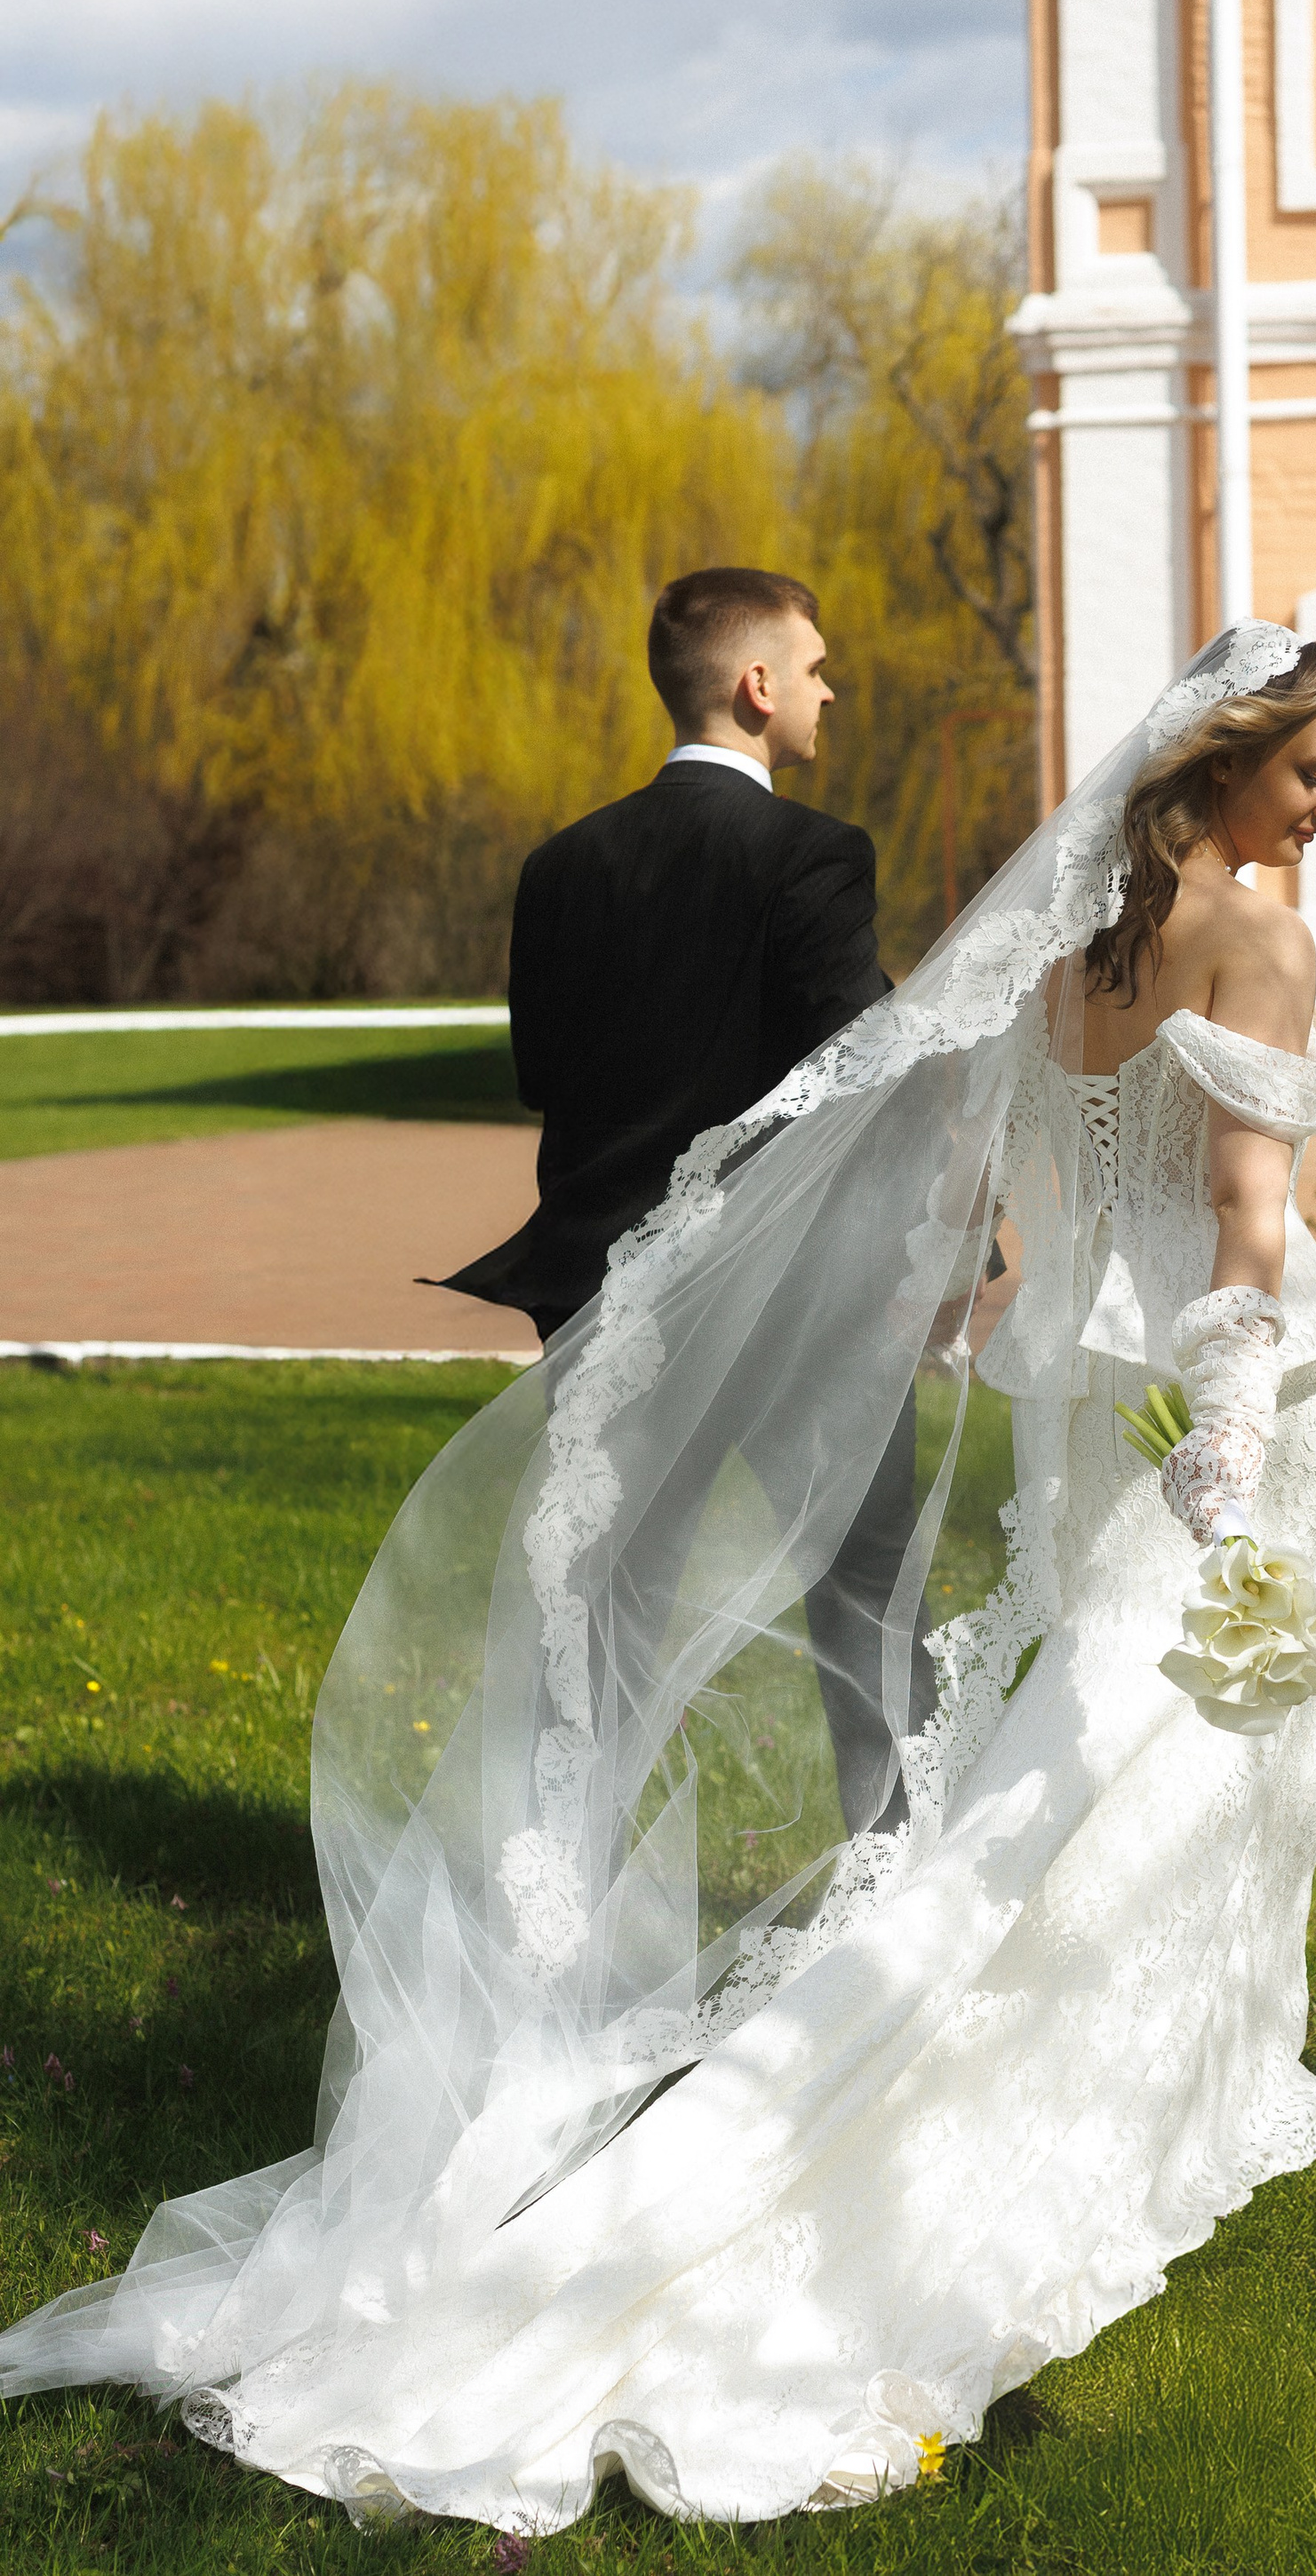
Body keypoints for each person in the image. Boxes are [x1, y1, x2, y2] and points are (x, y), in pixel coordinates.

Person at [0, 625, 1316, 2530]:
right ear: (1219, 764)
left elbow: (982, 1159)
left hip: (1077, 1406)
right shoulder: (1261, 945)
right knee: (1151, 1778)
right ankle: (1101, 2100)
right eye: (1312, 767)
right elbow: (1238, 1210)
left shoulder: (1071, 954)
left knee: (1071, 1769)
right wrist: (1229, 1425)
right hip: (1225, 1413)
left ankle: (1077, 2061)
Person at [438, 565, 923, 1833]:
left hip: (604, 1295)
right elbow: (859, 1076)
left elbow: (543, 1076)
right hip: (790, 1294)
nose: (829, 693)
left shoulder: (560, 865)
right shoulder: (813, 855)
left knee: (607, 1609)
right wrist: (945, 1248)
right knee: (865, 1590)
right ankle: (894, 1889)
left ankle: (564, 1892)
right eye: (816, 669)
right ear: (759, 686)